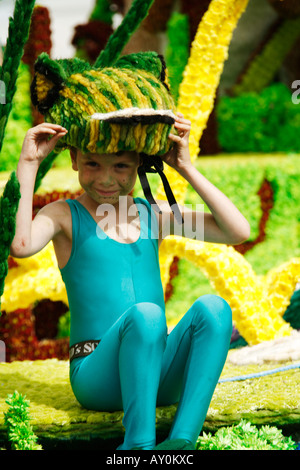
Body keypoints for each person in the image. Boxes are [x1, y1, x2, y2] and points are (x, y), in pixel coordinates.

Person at [10, 112, 250, 450]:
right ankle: (138, 446)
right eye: (93, 164)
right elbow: (21, 245)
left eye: (121, 166)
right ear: (75, 159)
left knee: (214, 309)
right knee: (147, 315)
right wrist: (29, 162)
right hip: (98, 376)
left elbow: (236, 231)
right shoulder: (64, 216)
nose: (106, 179)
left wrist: (185, 167)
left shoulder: (155, 215)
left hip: (157, 373)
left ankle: (182, 441)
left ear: (140, 163)